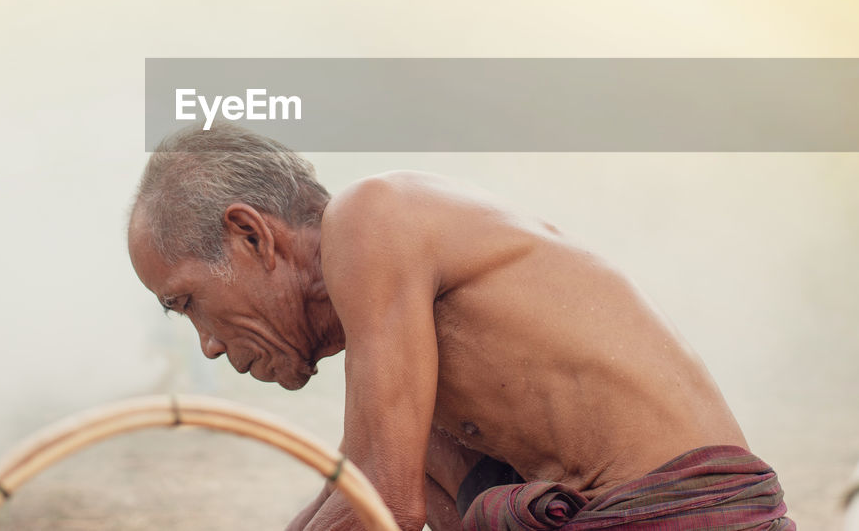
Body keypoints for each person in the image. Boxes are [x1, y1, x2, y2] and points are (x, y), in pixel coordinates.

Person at [127, 124, 795, 531]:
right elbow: (363, 487)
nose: (208, 343)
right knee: (429, 458)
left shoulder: (372, 215)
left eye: (186, 300)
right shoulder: (382, 331)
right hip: (607, 505)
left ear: (250, 234)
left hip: (684, 508)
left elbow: (381, 501)